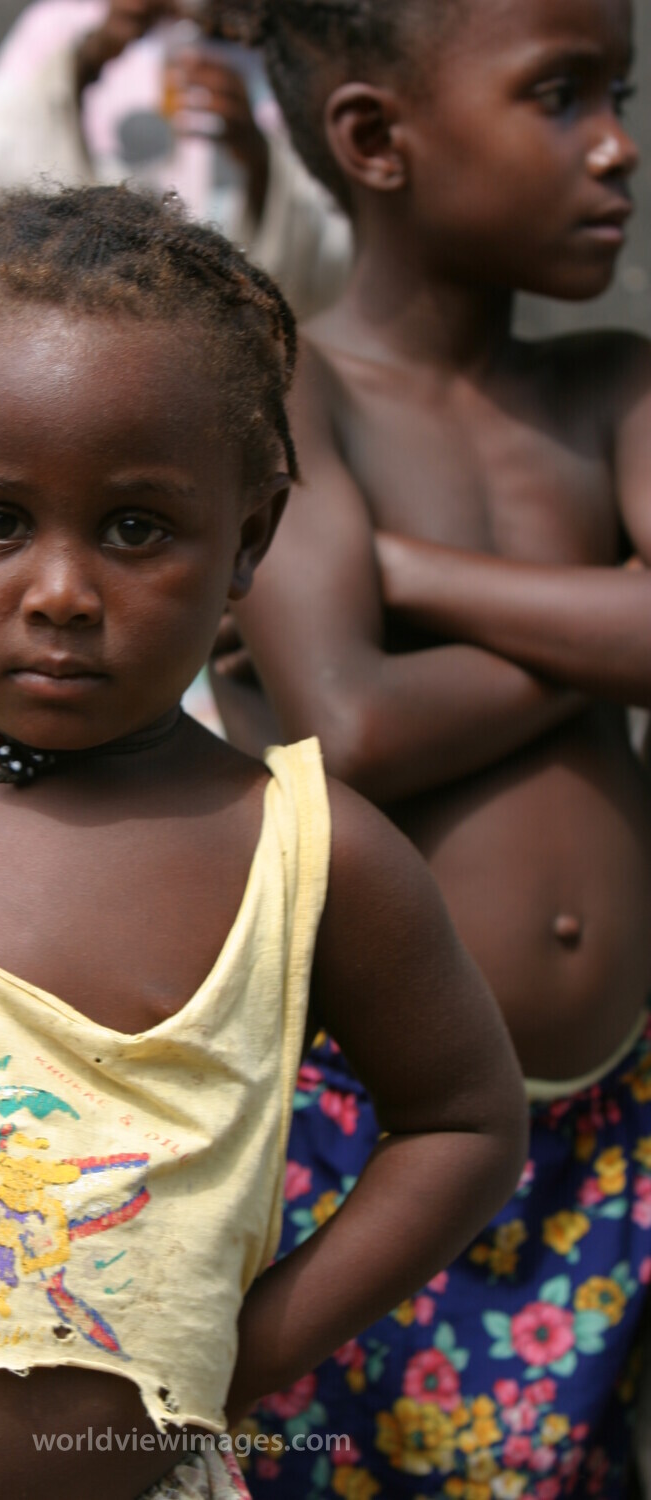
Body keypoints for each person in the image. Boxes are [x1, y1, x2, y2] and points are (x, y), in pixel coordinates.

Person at [0, 185, 525, 1500]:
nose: (61, 593)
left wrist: (248, 1348)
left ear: (248, 542)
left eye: (135, 529)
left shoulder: (300, 850)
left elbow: (465, 1122)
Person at [206, 0, 651, 1494]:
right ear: (377, 141)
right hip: (366, 1139)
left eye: (622, 93)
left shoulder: (613, 388)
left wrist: (412, 573)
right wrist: (610, 619)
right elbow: (356, 720)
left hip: (615, 1136)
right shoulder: (283, 382)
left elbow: (368, 661)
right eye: (561, 94)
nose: (617, 145)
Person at [0, 0, 352, 321]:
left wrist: (260, 160)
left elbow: (329, 252)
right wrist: (84, 63)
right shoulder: (61, 26)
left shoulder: (274, 58)